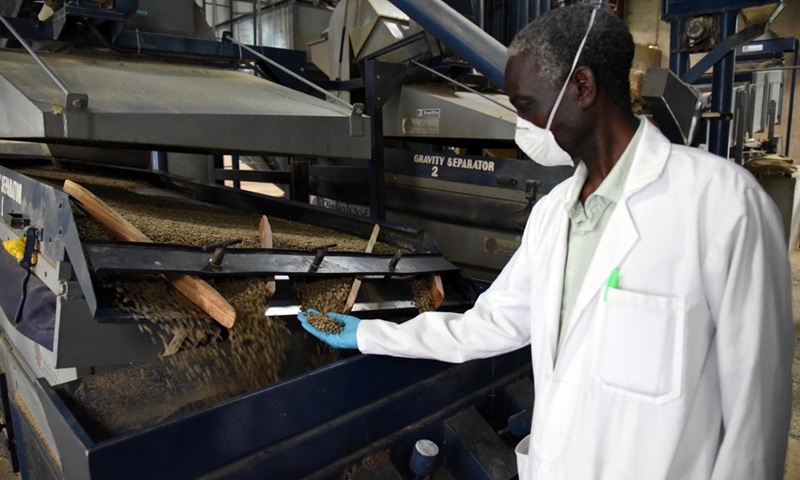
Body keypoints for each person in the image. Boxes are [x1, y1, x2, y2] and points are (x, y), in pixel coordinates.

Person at [298, 5, 794, 479]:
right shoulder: (553, 216)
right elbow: (488, 325)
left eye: (527, 106)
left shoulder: (722, 207)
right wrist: (371, 334)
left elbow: (754, 422)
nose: (525, 125)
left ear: (581, 87)